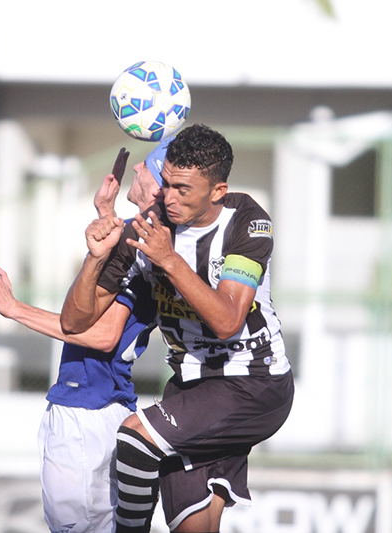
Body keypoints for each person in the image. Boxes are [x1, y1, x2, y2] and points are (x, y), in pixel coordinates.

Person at [59, 124, 295, 533]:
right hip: (191, 388)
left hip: (254, 383)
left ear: (217, 191)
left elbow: (227, 321)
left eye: (183, 189)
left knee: (135, 440)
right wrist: (94, 259)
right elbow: (74, 322)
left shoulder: (247, 221)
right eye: (166, 184)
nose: (169, 198)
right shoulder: (144, 230)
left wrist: (169, 260)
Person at [0, 141, 170, 533]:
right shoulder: (139, 240)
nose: (135, 170)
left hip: (87, 411)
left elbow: (103, 336)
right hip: (104, 407)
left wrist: (14, 309)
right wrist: (105, 214)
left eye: (146, 167)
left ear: (159, 190)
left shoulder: (146, 248)